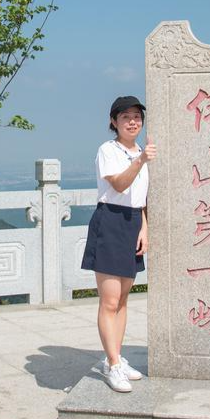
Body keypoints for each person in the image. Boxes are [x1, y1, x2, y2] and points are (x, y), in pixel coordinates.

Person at [81, 95, 156, 393]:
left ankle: (115, 357)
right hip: (110, 221)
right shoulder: (108, 150)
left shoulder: (141, 151)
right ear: (114, 121)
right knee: (109, 300)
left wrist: (144, 229)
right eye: (125, 117)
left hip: (133, 222)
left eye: (137, 116)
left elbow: (142, 198)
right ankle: (112, 365)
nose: (132, 121)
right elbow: (120, 185)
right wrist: (141, 160)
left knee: (124, 300)